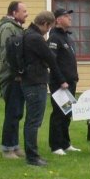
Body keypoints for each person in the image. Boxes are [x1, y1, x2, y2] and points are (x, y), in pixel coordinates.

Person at [21, 11, 57, 167]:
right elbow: (50, 57)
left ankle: (32, 154)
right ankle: (32, 156)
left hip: (28, 80)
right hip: (36, 81)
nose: (47, 31)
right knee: (34, 121)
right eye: (49, 28)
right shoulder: (36, 38)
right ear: (45, 24)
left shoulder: (26, 34)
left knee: (31, 120)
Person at [0, 0, 29, 158]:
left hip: (17, 77)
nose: (26, 14)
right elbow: (8, 53)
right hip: (11, 77)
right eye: (23, 11)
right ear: (14, 13)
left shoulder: (16, 28)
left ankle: (15, 146)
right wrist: (16, 73)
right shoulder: (8, 28)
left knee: (17, 113)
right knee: (12, 112)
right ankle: (7, 148)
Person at [48, 7, 80, 155]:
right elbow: (52, 62)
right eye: (66, 16)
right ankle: (55, 146)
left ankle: (65, 143)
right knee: (59, 114)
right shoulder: (54, 37)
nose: (70, 18)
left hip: (70, 82)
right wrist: (61, 80)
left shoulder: (66, 36)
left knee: (67, 113)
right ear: (58, 19)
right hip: (60, 83)